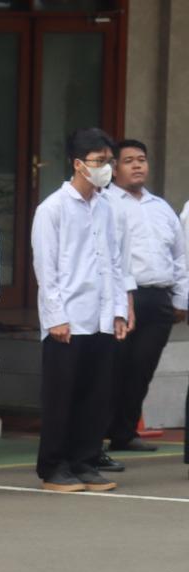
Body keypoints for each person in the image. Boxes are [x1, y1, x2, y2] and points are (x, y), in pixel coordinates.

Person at [31, 128, 130, 492]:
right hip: (68, 318)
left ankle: (85, 461)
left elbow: (116, 263)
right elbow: (47, 267)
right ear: (78, 164)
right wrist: (55, 316)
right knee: (62, 398)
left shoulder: (108, 208)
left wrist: (119, 309)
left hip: (101, 316)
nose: (106, 168)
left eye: (109, 162)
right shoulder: (52, 209)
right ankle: (54, 467)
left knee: (96, 395)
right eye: (99, 161)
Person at [105, 139, 187, 453]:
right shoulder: (107, 203)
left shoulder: (161, 208)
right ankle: (98, 434)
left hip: (159, 298)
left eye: (142, 159)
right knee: (114, 367)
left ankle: (124, 432)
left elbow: (180, 257)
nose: (138, 165)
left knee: (142, 370)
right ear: (114, 168)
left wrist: (180, 299)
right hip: (124, 297)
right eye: (129, 161)